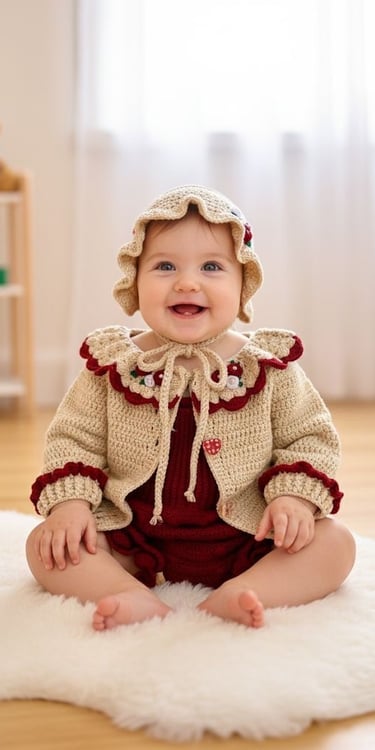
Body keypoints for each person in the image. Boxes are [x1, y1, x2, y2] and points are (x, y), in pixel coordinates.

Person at [26, 184, 356, 631]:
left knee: (335, 544)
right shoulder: (113, 366)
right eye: (164, 266)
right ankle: (127, 594)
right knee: (46, 548)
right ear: (134, 281)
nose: (187, 282)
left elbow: (310, 436)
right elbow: (73, 439)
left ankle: (247, 590)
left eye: (212, 267)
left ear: (242, 287)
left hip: (249, 534)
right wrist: (72, 507)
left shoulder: (267, 368)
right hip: (133, 533)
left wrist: (293, 497)